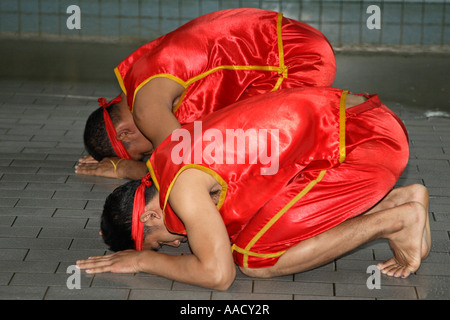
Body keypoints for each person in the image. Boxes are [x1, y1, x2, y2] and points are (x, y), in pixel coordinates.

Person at [77, 87, 431, 290]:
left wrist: (142, 260)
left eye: (160, 243)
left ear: (151, 214)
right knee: (253, 230)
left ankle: (397, 221)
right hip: (363, 123)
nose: (177, 244)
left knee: (255, 258)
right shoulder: (165, 158)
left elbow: (219, 275)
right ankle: (402, 199)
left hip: (365, 144)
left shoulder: (182, 191)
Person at [76, 8, 336, 180]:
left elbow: (183, 165)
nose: (150, 153)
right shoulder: (138, 78)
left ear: (124, 133)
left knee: (247, 164)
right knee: (222, 142)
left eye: (141, 153)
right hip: (290, 41)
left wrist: (128, 169)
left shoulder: (146, 108)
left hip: (295, 60)